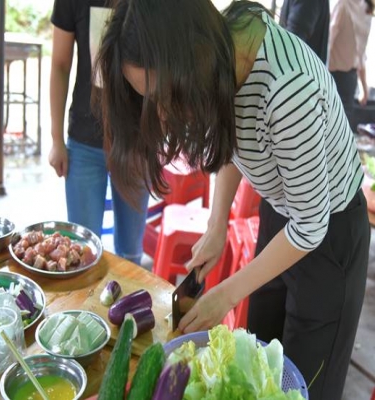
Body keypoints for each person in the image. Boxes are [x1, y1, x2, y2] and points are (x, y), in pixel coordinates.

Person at [93, 1, 370, 399]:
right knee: (259, 372)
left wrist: (227, 292)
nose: (163, 114)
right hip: (283, 221)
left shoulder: (288, 90)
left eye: (163, 95)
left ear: (189, 56)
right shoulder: (220, 53)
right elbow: (232, 138)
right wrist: (217, 221)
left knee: (305, 385)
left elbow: (312, 225)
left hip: (328, 238)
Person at [48, 0, 150, 265]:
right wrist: (56, 140)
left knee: (130, 254)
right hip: (83, 141)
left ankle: (125, 307)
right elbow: (59, 64)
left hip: (136, 143)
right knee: (81, 253)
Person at [328, 0, 374, 130]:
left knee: (328, 128)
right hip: (350, 80)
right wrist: (364, 88)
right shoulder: (367, 9)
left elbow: (328, 43)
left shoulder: (343, 5)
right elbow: (361, 54)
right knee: (341, 131)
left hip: (333, 77)